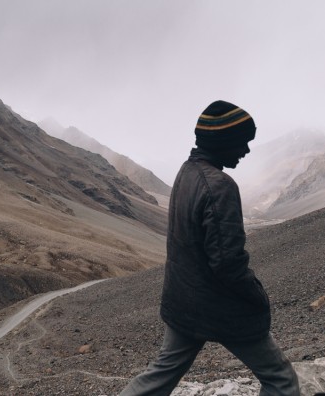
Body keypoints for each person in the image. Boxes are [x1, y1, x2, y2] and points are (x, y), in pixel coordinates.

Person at [119, 100, 299, 396]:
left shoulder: (187, 172)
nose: (246, 150)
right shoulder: (220, 186)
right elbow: (228, 263)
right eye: (242, 142)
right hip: (219, 306)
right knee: (280, 379)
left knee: (160, 374)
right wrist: (256, 295)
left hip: (183, 301)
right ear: (223, 143)